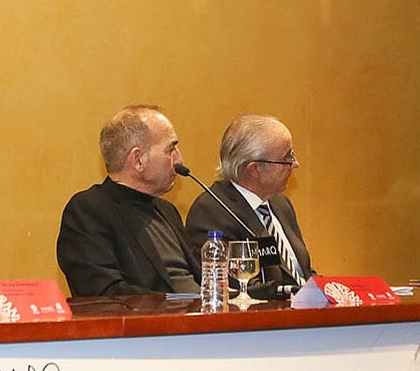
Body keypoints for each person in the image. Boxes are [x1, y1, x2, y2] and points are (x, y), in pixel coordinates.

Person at [56, 105, 201, 297]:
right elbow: (105, 292)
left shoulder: (167, 210)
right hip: (155, 323)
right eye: (171, 149)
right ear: (138, 159)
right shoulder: (88, 210)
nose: (179, 160)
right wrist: (175, 303)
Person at [185, 114, 316, 294]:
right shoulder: (212, 211)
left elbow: (303, 274)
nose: (295, 164)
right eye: (287, 157)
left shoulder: (281, 205)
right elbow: (236, 288)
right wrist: (293, 292)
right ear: (254, 169)